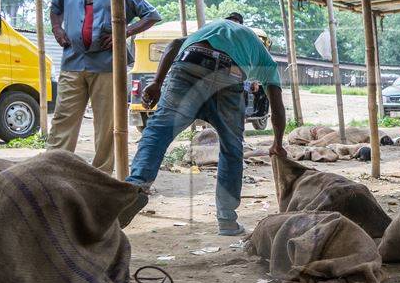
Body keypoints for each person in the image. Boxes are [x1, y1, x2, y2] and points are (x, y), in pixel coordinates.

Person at [121, 14, 287, 235]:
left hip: (190, 63)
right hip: (230, 73)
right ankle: (227, 221)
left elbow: (173, 45)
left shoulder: (208, 28)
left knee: (157, 131)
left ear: (227, 20)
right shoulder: (256, 45)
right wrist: (277, 142)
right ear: (242, 25)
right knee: (231, 149)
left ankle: (136, 186)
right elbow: (276, 105)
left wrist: (157, 83)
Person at [47, 0, 160, 174]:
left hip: (108, 66)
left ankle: (100, 175)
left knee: (106, 125)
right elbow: (55, 9)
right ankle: (53, 171)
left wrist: (125, 32)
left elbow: (151, 15)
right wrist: (57, 29)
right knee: (62, 121)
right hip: (72, 63)